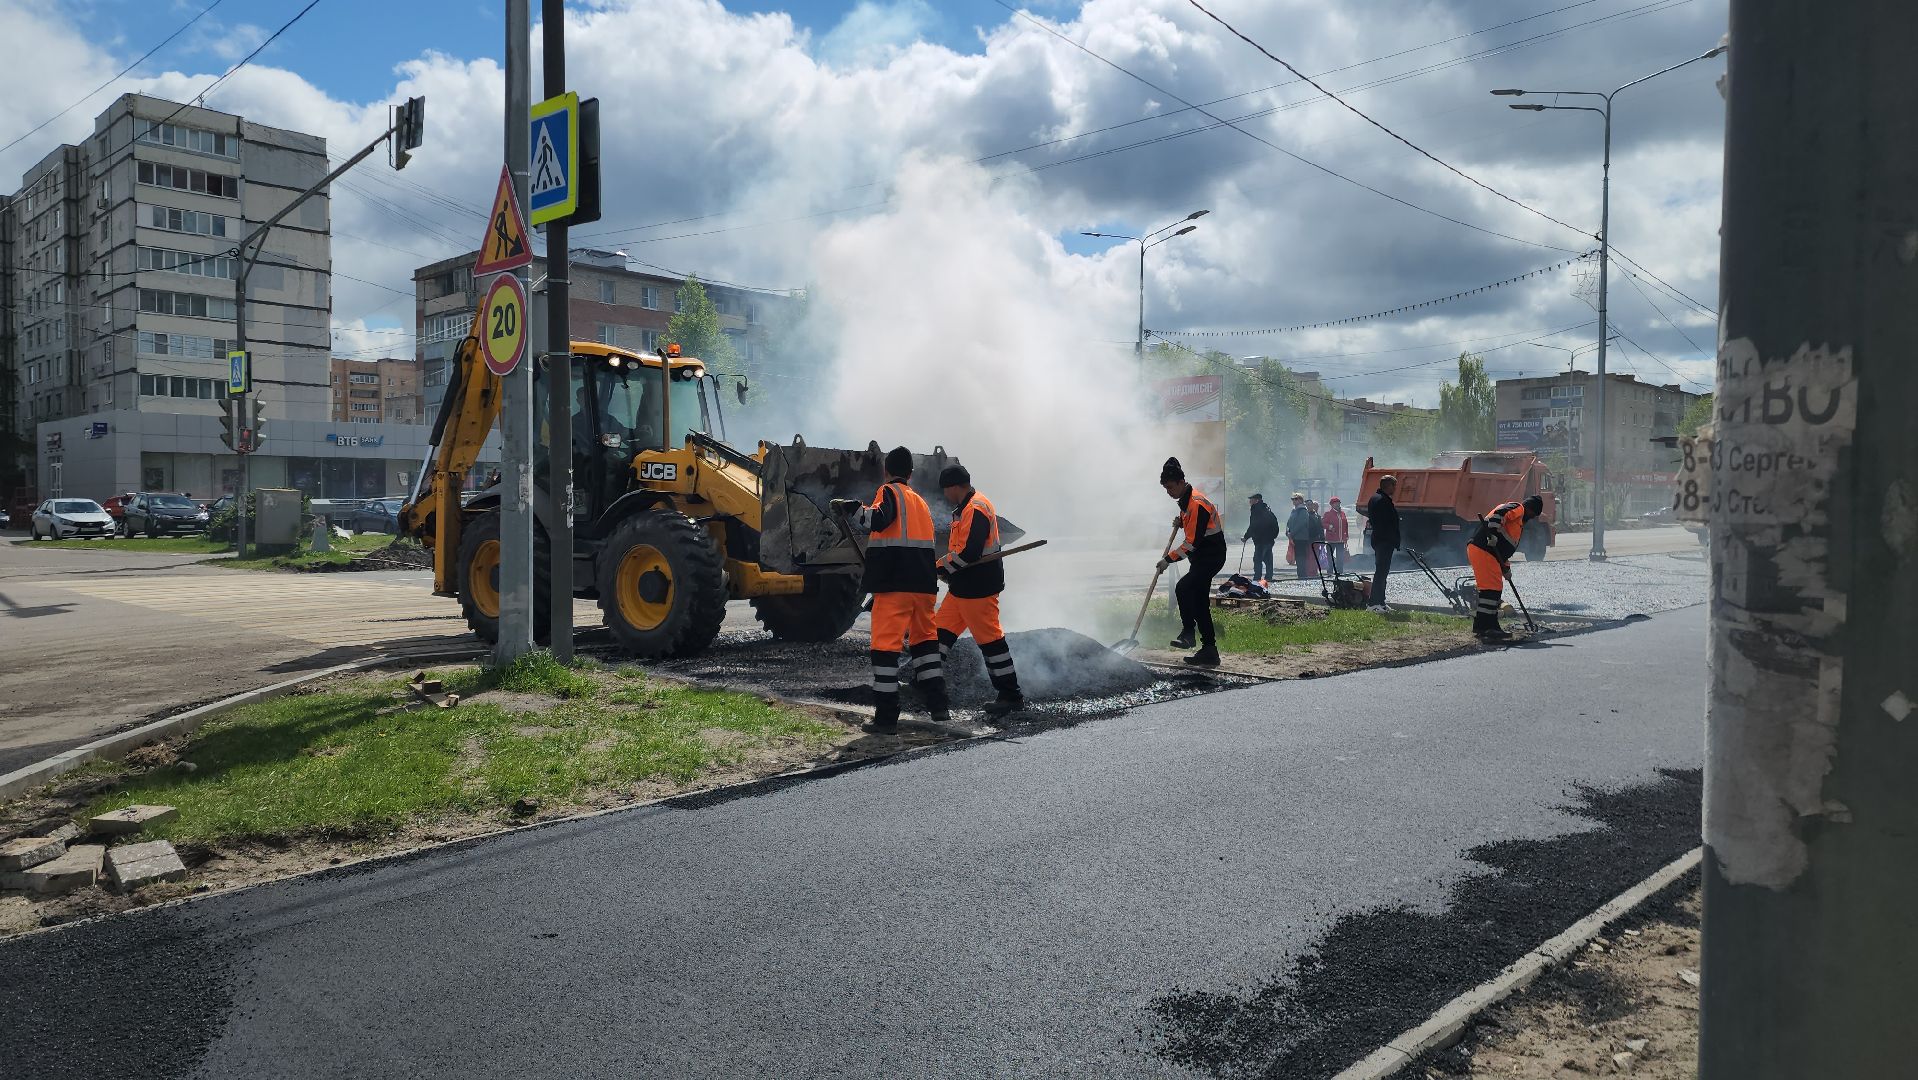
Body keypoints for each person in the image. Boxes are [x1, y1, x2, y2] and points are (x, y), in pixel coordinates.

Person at [830, 447, 949, 731]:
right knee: (926, 649)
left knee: (884, 651)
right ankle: (940, 707)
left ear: (887, 471)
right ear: (911, 473)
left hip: (895, 587)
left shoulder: (889, 492)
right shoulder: (920, 502)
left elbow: (876, 520)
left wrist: (850, 508)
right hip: (923, 587)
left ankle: (886, 718)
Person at [933, 465, 1023, 718]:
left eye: (945, 490)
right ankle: (926, 683)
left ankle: (1011, 695)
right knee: (938, 634)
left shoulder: (976, 508)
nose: (945, 495)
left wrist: (941, 568)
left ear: (954, 487)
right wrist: (945, 570)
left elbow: (971, 553)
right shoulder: (966, 508)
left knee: (992, 642)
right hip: (962, 588)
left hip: (978, 588)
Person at [1159, 457, 1226, 667]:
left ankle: (1188, 633)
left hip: (1211, 556)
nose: (1168, 492)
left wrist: (1168, 559)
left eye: (1170, 487)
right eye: (1165, 488)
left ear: (1180, 482)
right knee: (1199, 603)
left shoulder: (1195, 503)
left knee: (1183, 587)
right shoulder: (1186, 502)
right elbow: (1193, 528)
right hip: (1201, 558)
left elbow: (1192, 543)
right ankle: (1209, 650)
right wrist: (1181, 521)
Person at [1467, 494, 1544, 640]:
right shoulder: (1518, 508)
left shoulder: (1517, 524)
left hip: (1488, 553)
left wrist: (1506, 569)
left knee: (1491, 590)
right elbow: (1499, 513)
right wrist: (1492, 533)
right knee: (1491, 589)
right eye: (1534, 514)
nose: (1532, 518)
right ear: (1530, 509)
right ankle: (1487, 627)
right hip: (1484, 549)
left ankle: (1485, 626)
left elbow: (1503, 551)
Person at [1365, 476, 1400, 611]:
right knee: (1380, 572)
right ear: (1388, 486)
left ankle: (1381, 602)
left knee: (1383, 572)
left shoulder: (1377, 498)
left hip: (1382, 540)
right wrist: (1391, 538)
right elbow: (1384, 523)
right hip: (1384, 541)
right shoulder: (1381, 500)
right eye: (1394, 486)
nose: (1395, 489)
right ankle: (1373, 603)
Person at [1241, 492, 1280, 583]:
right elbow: (1275, 524)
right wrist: (1272, 536)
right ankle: (1269, 577)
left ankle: (1257, 578)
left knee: (1258, 559)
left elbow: (1253, 526)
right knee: (1268, 558)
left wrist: (1246, 537)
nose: (1250, 501)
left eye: (1251, 499)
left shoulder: (1256, 510)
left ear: (1257, 500)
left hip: (1261, 539)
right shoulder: (1266, 509)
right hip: (1269, 539)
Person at [1284, 492, 1314, 580]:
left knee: (1301, 557)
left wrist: (1291, 533)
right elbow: (1289, 522)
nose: (1293, 501)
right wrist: (1287, 531)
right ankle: (1300, 575)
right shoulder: (1294, 510)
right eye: (1293, 499)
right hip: (1295, 537)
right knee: (1298, 557)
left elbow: (1300, 524)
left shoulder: (1303, 511)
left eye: (1296, 499)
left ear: (1301, 500)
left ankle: (1302, 575)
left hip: (1301, 538)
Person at [1322, 496, 1350, 574]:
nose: (1338, 504)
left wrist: (1346, 535)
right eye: (1335, 503)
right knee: (1330, 557)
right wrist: (1329, 527)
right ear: (1332, 504)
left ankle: (1340, 572)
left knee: (1340, 557)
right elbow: (1323, 523)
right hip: (1331, 540)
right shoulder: (1328, 514)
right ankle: (1330, 572)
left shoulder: (1342, 513)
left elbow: (1346, 525)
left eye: (1338, 503)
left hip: (1341, 540)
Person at [1303, 500, 1327, 577]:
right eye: (1307, 505)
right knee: (1308, 557)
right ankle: (1309, 572)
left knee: (1315, 556)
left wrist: (1322, 539)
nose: (1309, 506)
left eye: (1310, 505)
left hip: (1316, 539)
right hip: (1307, 539)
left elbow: (1320, 528)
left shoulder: (1317, 516)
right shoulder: (1304, 515)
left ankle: (1314, 571)